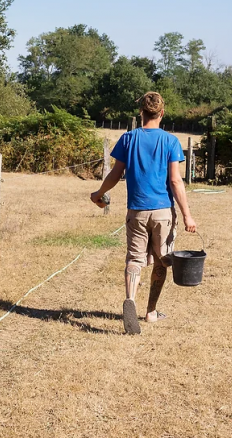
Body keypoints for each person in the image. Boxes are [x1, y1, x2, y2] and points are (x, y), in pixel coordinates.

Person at [90, 92, 197, 335]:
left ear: (141, 113)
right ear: (161, 113)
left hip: (136, 211)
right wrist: (188, 215)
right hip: (162, 213)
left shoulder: (128, 139)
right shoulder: (170, 141)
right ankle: (150, 311)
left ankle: (130, 300)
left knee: (134, 259)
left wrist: (98, 193)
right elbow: (175, 181)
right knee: (162, 260)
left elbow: (115, 174)